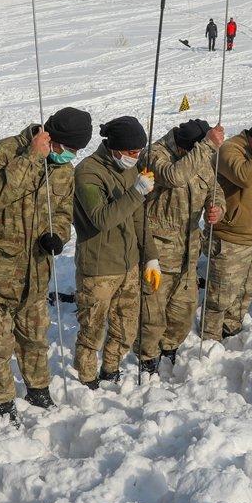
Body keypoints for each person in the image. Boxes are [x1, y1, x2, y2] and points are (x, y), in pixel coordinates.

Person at [0, 107, 92, 418]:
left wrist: (58, 236)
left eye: (76, 151)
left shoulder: (64, 170)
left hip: (35, 272)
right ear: (51, 138)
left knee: (35, 338)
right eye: (68, 148)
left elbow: (61, 212)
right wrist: (32, 157)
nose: (71, 156)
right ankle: (3, 401)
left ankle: (38, 390)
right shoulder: (4, 151)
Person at [72, 116, 157, 387]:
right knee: (92, 330)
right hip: (99, 268)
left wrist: (150, 256)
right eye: (132, 152)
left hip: (129, 263)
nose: (136, 157)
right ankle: (87, 379)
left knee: (125, 326)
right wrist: (136, 193)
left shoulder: (130, 170)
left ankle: (112, 368)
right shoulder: (88, 172)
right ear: (115, 148)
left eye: (140, 152)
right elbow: (102, 218)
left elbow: (138, 218)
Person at [138, 118, 225, 371]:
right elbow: (174, 176)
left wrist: (217, 208)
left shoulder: (200, 156)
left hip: (188, 252)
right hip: (159, 252)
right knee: (152, 313)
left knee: (182, 312)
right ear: (184, 147)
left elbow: (214, 189)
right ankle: (147, 359)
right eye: (194, 151)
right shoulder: (154, 154)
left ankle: (170, 351)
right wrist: (207, 146)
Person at [203, 116, 252, 340]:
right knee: (220, 297)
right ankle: (209, 340)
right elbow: (246, 177)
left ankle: (232, 330)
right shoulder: (229, 150)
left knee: (243, 293)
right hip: (229, 238)